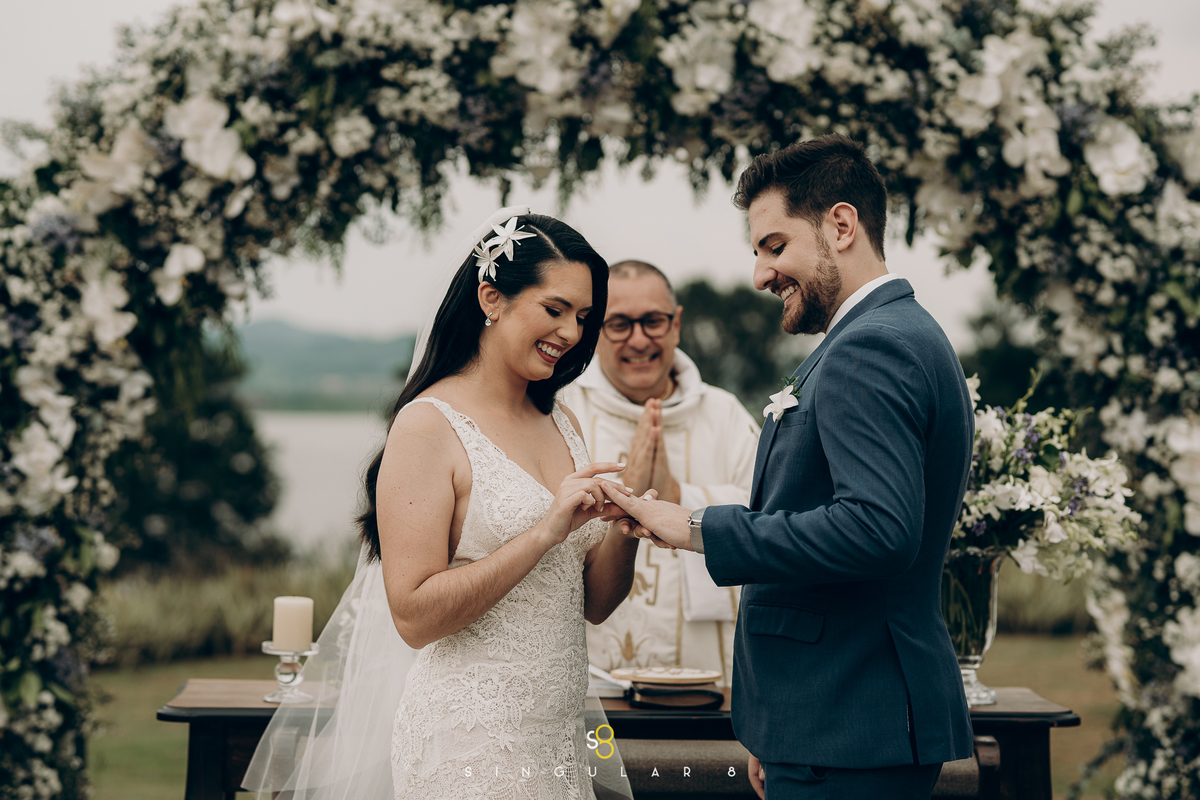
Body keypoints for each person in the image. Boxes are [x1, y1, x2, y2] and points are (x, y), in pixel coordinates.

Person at [598, 136, 975, 799]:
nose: (760, 275)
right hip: (826, 719)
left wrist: (696, 526)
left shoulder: (871, 347)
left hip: (849, 721)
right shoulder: (895, 333)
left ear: (841, 225)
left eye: (774, 246)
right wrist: (780, 727)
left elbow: (877, 529)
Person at [243, 207, 637, 800]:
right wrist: (543, 532)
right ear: (491, 298)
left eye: (583, 317)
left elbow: (595, 605)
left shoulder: (564, 423)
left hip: (557, 739)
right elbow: (414, 617)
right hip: (467, 742)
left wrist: (626, 527)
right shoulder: (428, 426)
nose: (571, 333)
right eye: (555, 310)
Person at [561, 260, 758, 684]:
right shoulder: (561, 412)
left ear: (676, 324)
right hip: (594, 674)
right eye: (619, 324)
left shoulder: (724, 415)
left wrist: (680, 496)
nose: (639, 339)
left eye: (653, 321)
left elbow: (773, 519)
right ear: (595, 330)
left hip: (709, 672)